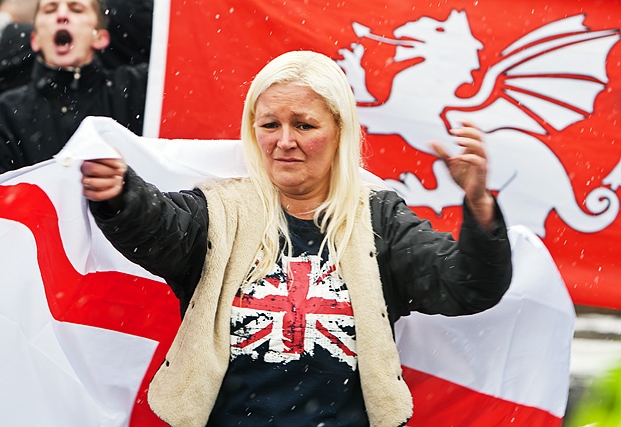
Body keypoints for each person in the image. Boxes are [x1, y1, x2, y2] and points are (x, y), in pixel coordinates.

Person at [80, 50, 513, 426]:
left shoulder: (379, 218)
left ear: (340, 130)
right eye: (270, 124)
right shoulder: (219, 210)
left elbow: (467, 286)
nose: (284, 142)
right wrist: (120, 193)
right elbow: (159, 228)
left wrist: (480, 208)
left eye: (304, 125)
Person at [0, 0, 147, 187]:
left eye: (76, 9)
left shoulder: (135, 91)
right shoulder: (3, 116)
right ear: (35, 40)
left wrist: (122, 197)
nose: (62, 15)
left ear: (100, 38)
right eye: (50, 10)